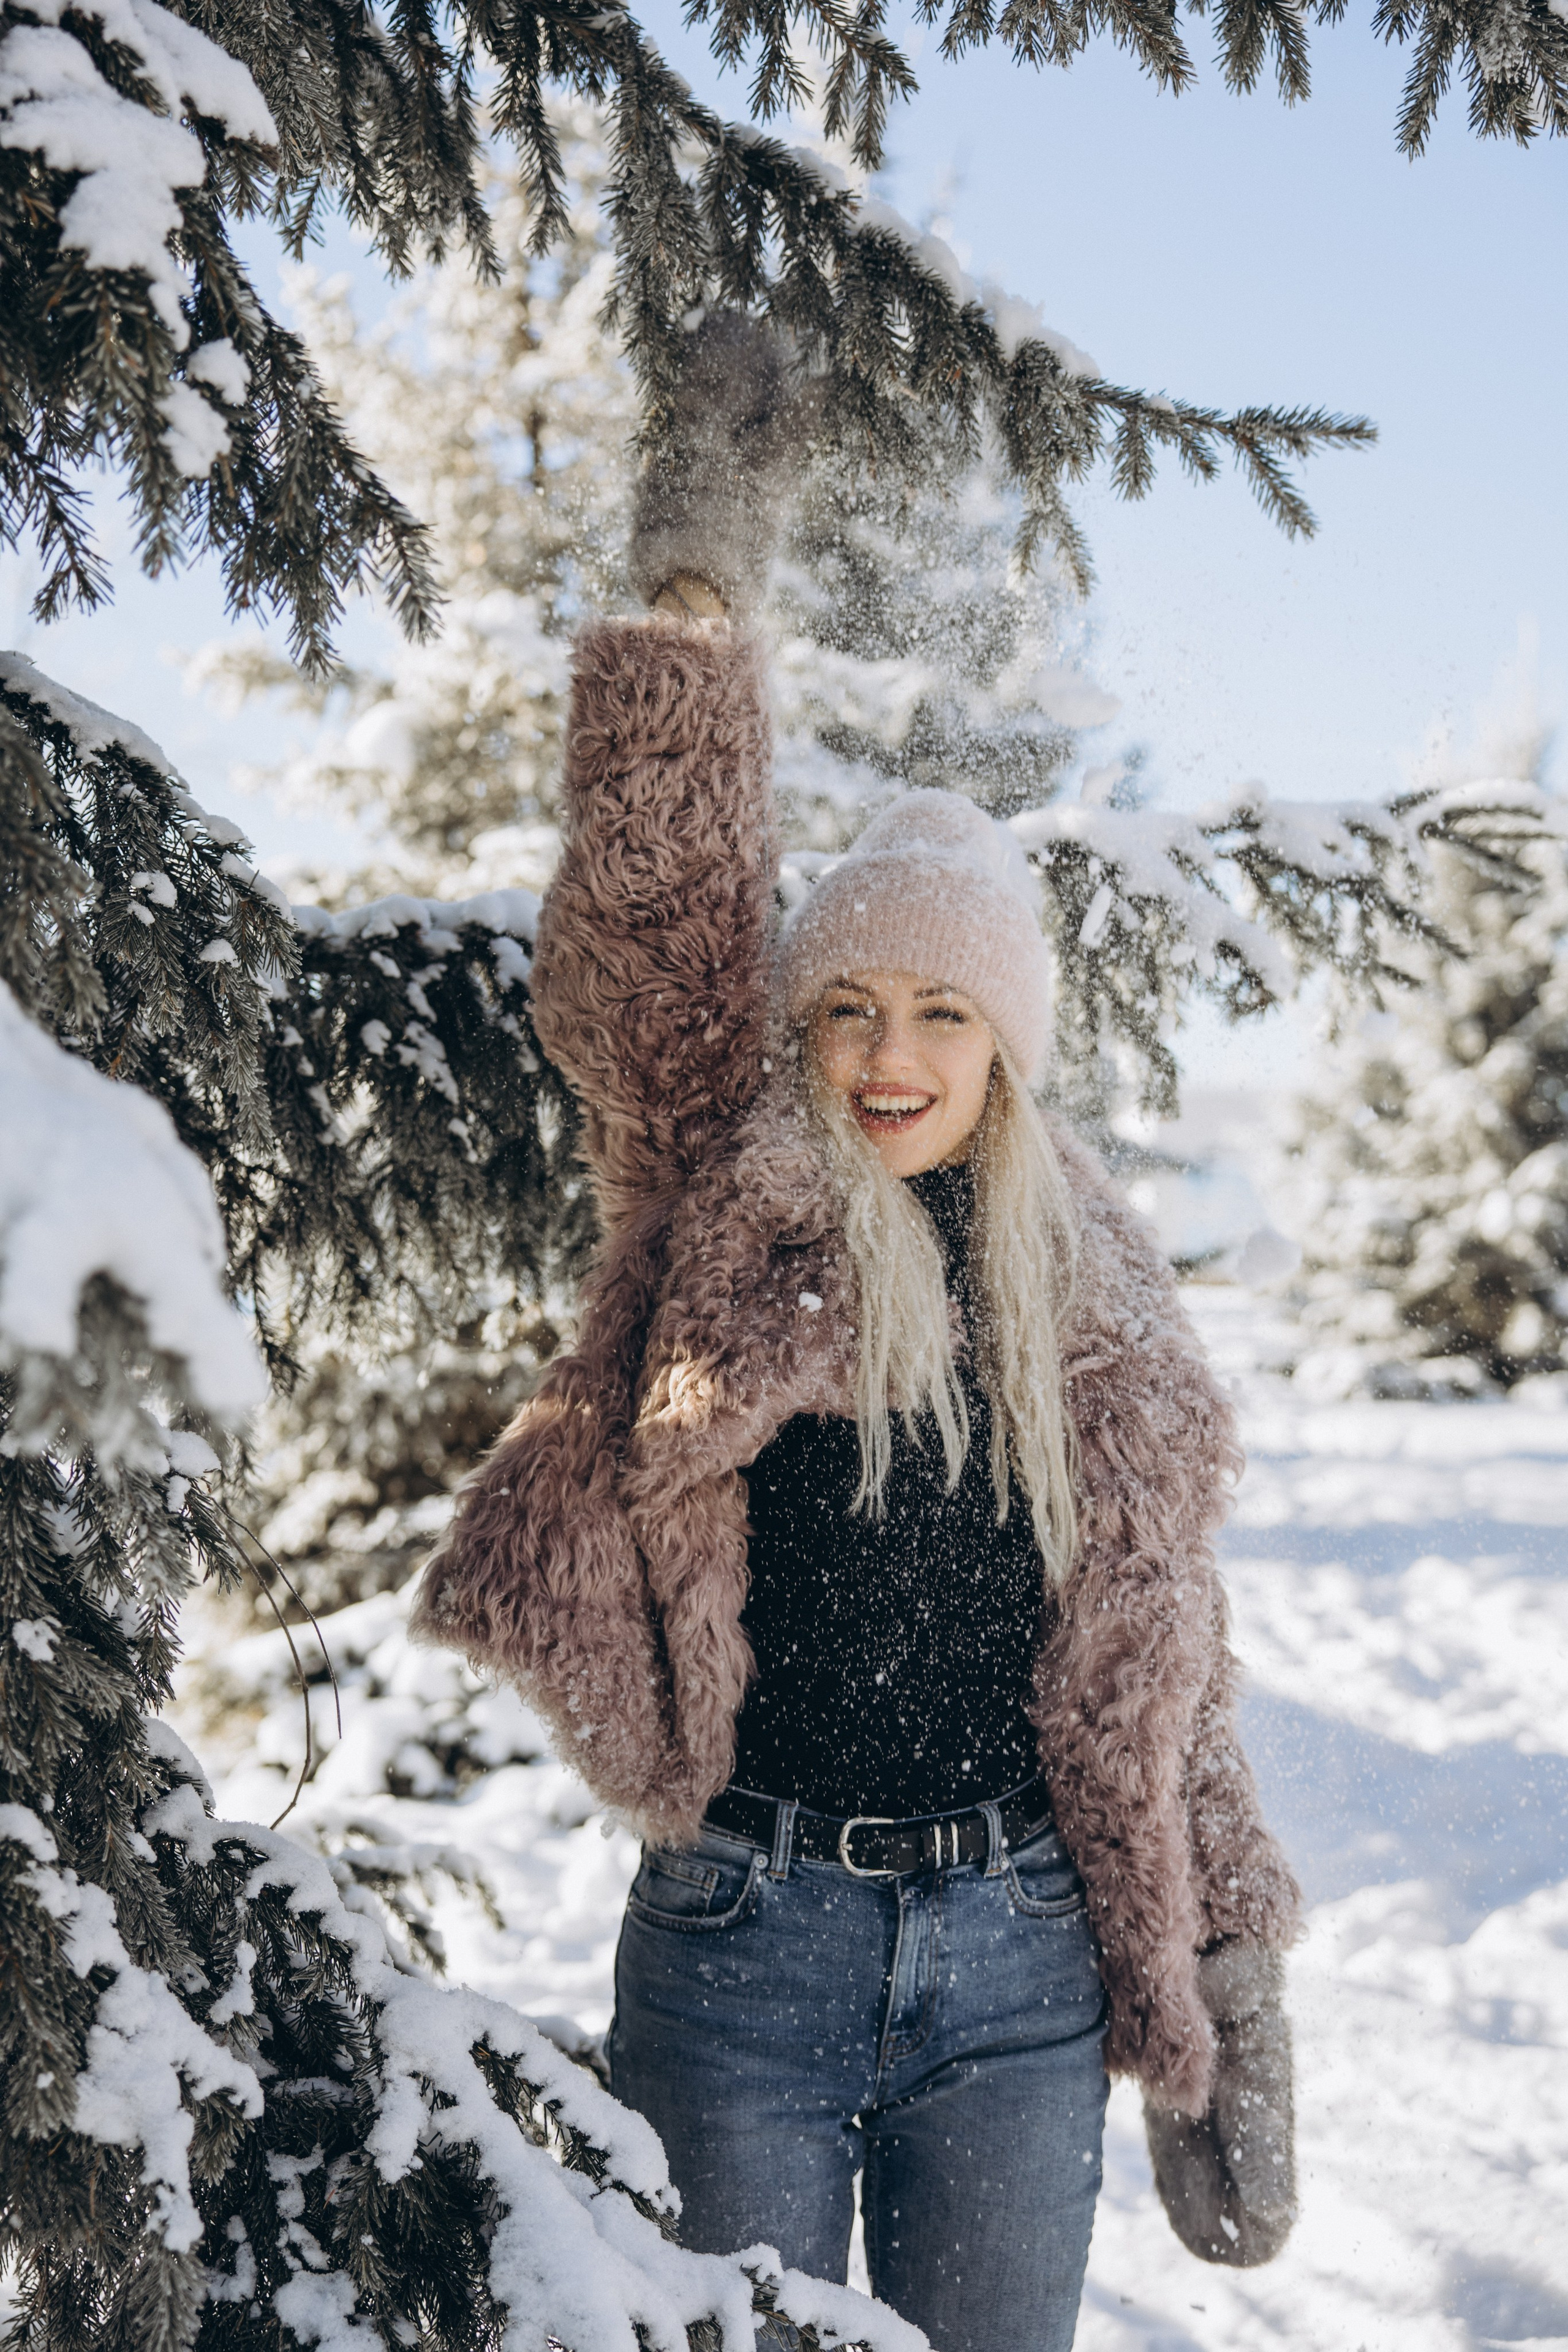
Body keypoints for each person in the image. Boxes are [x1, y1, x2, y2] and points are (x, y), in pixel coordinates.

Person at [415, 315, 1301, 2351]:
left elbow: (1170, 1657)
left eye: (942, 1015)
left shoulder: (1096, 1299)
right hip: (749, 1934)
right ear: (799, 1027)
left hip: (1022, 1959)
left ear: (1007, 1047)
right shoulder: (720, 1195)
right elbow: (658, 908)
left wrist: (1235, 1973)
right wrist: (695, 579)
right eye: (848, 1010)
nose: (890, 1055)